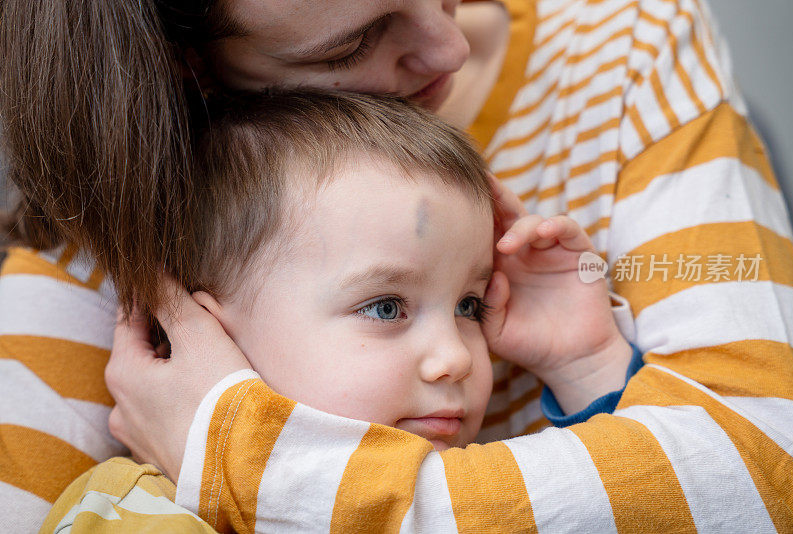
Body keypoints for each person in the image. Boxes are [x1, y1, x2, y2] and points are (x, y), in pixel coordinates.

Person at [1, 0, 793, 531]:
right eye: (352, 41)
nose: (452, 42)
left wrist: (250, 454)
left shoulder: (626, 49)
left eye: (473, 305)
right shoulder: (132, 217)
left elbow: (770, 473)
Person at [41, 90, 638, 531]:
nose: (455, 358)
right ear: (206, 334)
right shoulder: (132, 517)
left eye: (469, 306)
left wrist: (586, 365)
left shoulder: (480, 486)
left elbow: (625, 506)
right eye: (385, 307)